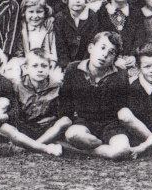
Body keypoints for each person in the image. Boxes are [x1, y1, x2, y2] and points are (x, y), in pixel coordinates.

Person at [57, 32, 133, 160]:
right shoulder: (73, 69)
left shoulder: (120, 75)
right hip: (84, 122)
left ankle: (81, 149)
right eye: (102, 48)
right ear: (91, 48)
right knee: (72, 135)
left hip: (111, 125)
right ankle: (102, 148)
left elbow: (123, 105)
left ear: (115, 59)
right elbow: (65, 103)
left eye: (111, 52)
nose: (104, 55)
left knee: (122, 151)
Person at [8, 50, 71, 152]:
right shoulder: (17, 86)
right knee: (5, 127)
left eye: (44, 66)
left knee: (65, 121)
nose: (40, 70)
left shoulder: (58, 86)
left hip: (47, 129)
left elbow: (62, 112)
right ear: (26, 68)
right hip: (24, 128)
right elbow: (15, 112)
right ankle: (39, 146)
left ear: (50, 68)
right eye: (35, 66)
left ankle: (33, 146)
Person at [96, 0, 145, 73]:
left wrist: (133, 56)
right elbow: (98, 40)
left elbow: (140, 37)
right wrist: (114, 59)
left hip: (131, 63)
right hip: (107, 61)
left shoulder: (136, 13)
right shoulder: (100, 13)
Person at [11, 0, 58, 78]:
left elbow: (53, 49)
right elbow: (19, 53)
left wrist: (53, 61)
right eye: (31, 12)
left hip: (45, 64)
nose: (35, 16)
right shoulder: (22, 29)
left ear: (45, 12)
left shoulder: (48, 27)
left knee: (55, 78)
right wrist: (25, 67)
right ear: (24, 12)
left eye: (39, 12)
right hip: (26, 63)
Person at [54, 0, 100, 68]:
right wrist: (67, 67)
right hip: (65, 64)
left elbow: (92, 42)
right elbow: (60, 46)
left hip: (87, 64)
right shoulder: (60, 17)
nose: (77, 0)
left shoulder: (92, 16)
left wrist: (84, 65)